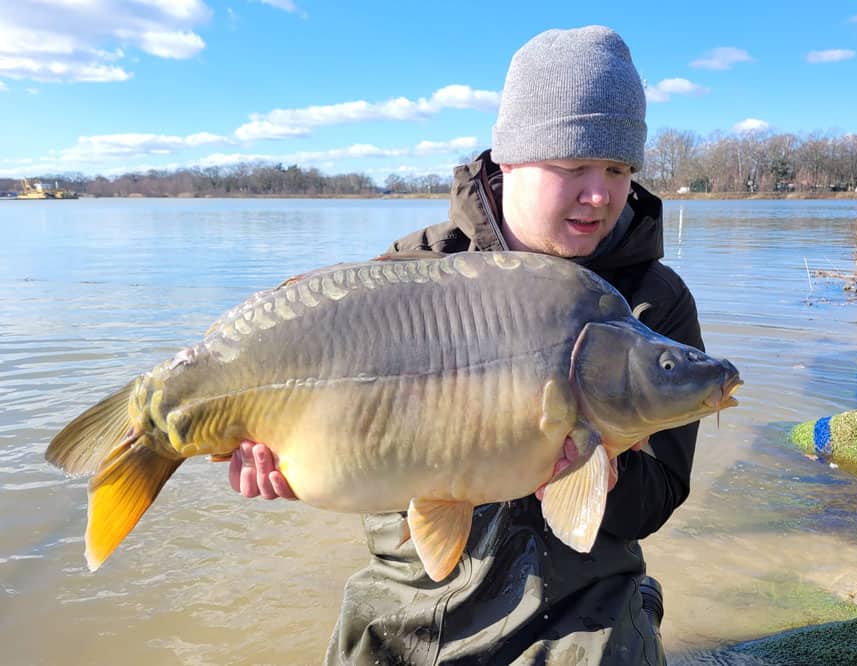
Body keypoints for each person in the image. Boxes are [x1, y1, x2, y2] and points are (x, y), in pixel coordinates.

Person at [229, 25, 704, 665]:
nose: (600, 194)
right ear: (508, 162)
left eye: (618, 168)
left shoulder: (652, 302)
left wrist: (603, 476)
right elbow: (353, 453)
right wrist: (293, 461)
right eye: (573, 167)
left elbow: (659, 497)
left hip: (583, 607)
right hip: (411, 600)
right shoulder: (412, 272)